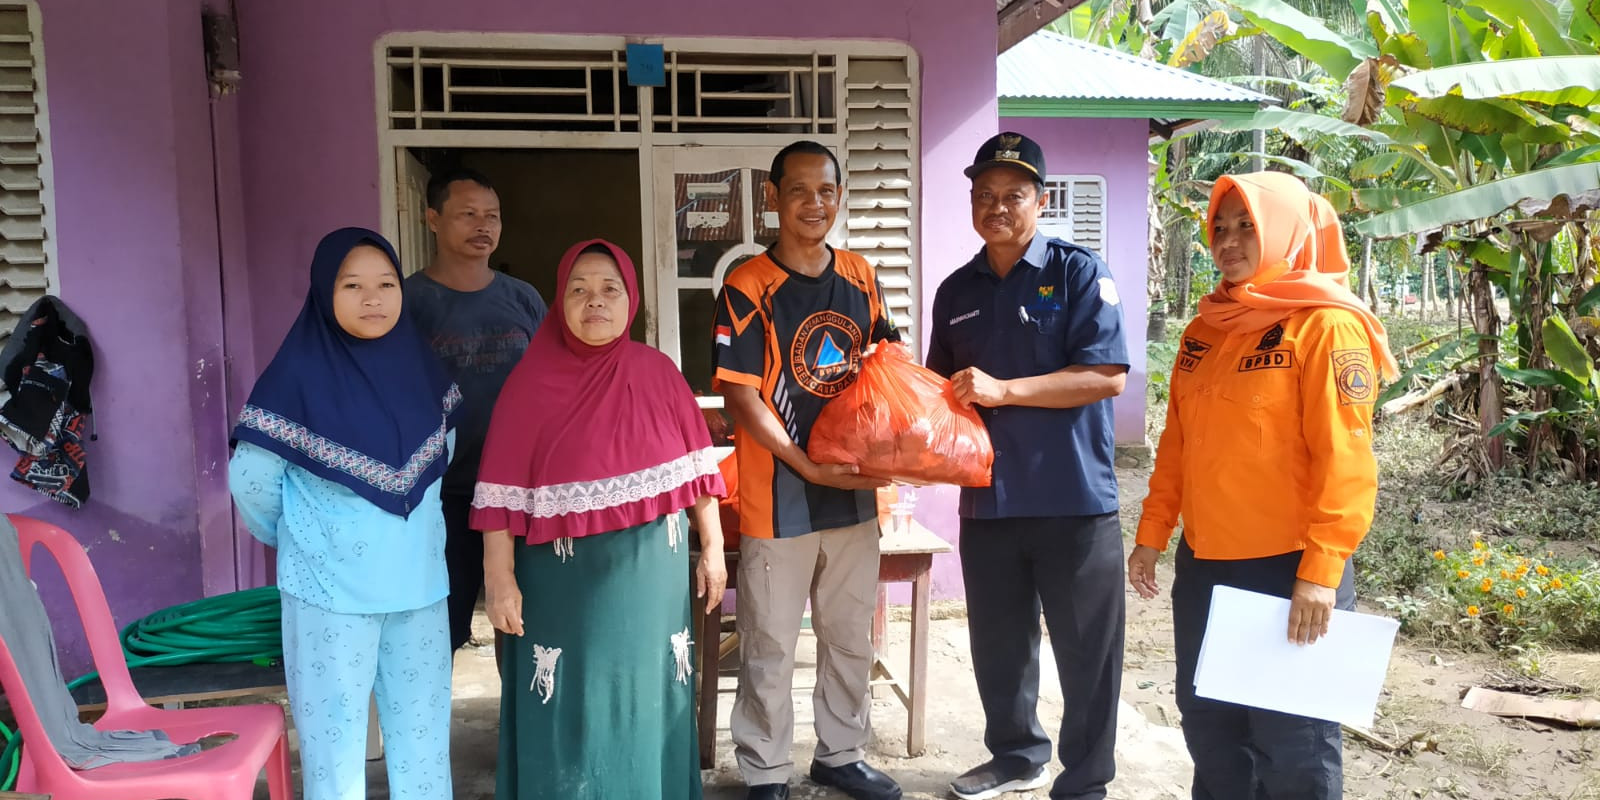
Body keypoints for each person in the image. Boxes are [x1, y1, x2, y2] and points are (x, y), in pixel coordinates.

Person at [1128, 171, 1398, 800]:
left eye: (1247, 225)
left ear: (1286, 231)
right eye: (1220, 227)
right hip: (1205, 568)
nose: (1229, 240)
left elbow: (1346, 459)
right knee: (1213, 732)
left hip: (1287, 572)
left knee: (1294, 745)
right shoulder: (1205, 329)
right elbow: (1178, 446)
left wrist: (1320, 572)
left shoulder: (1325, 327)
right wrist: (1152, 534)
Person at [470, 239, 728, 800]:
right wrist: (499, 577)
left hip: (650, 586)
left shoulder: (658, 373)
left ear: (630, 299)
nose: (595, 303)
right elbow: (499, 492)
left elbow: (699, 474)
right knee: (571, 699)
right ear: (559, 301)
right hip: (560, 591)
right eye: (579, 290)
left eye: (610, 290)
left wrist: (711, 547)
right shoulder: (528, 385)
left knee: (649, 693)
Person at [924, 132, 1130, 800]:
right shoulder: (956, 290)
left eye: (1013, 195)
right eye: (984, 196)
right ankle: (1016, 755)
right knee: (1000, 647)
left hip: (1073, 500)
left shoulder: (1076, 272)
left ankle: (1087, 778)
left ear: (1041, 201)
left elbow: (1105, 376)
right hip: (989, 501)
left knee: (1086, 654)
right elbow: (936, 393)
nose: (998, 207)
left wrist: (1006, 390)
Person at [229, 228, 458, 800]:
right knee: (334, 748)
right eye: (352, 285)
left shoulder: (421, 370)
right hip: (329, 593)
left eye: (385, 284)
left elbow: (443, 456)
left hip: (419, 587)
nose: (373, 298)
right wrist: (308, 534)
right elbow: (252, 482)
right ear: (323, 293)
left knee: (425, 741)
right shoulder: (294, 379)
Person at [712, 140, 902, 800]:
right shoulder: (746, 286)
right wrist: (805, 465)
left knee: (850, 638)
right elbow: (741, 396)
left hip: (853, 497)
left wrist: (898, 454)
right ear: (772, 199)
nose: (814, 203)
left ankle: (841, 753)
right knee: (768, 642)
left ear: (839, 197)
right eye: (798, 190)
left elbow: (887, 372)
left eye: (826, 190)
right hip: (778, 496)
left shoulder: (859, 275)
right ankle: (765, 768)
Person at [404, 167, 548, 654]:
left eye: (492, 216)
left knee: (530, 634)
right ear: (432, 219)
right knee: (436, 636)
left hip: (521, 497)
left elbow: (554, 385)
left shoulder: (523, 299)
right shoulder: (406, 303)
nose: (483, 226)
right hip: (440, 499)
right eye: (468, 215)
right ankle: (426, 733)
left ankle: (521, 732)